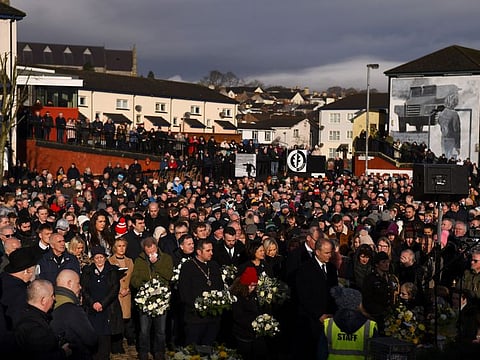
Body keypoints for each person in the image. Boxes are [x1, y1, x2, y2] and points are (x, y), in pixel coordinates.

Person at [295, 238, 338, 360]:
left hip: (330, 318)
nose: (329, 256)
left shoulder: (332, 268)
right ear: (317, 252)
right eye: (326, 253)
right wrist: (319, 314)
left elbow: (334, 291)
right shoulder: (305, 269)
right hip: (311, 320)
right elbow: (303, 296)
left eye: (331, 252)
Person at [131, 237, 173, 360]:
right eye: (148, 251)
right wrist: (145, 283)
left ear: (156, 246)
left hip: (161, 300)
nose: (150, 253)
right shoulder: (139, 260)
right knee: (144, 330)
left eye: (153, 249)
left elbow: (168, 275)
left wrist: (156, 263)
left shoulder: (166, 258)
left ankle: (159, 352)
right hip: (145, 300)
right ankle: (143, 352)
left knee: (160, 330)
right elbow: (134, 280)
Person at [178, 238, 224, 346]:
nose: (211, 253)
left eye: (211, 250)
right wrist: (199, 305)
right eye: (208, 251)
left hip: (213, 317)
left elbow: (220, 286)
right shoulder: (188, 266)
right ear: (199, 252)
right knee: (193, 348)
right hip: (195, 317)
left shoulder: (214, 265)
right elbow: (184, 292)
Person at [81, 246, 123, 360]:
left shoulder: (112, 270)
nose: (99, 260)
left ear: (105, 258)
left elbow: (115, 289)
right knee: (93, 333)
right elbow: (84, 289)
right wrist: (93, 303)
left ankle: (104, 356)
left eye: (101, 257)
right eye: (96, 258)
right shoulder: (87, 271)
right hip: (92, 309)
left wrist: (102, 304)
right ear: (93, 259)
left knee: (105, 335)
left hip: (107, 309)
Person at [14, 279, 72, 359]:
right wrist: (63, 352)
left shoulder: (24, 314)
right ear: (43, 300)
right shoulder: (35, 327)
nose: (54, 298)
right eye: (52, 295)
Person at [51, 269, 98, 360]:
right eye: (78, 283)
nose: (80, 287)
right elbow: (91, 339)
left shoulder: (50, 303)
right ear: (69, 283)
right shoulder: (72, 309)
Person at [324, 286, 377, 359]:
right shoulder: (370, 325)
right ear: (358, 304)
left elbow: (321, 353)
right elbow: (376, 353)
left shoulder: (328, 324)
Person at [230, 267, 268, 360]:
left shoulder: (254, 295)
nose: (252, 288)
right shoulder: (237, 297)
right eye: (250, 285)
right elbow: (238, 316)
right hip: (243, 334)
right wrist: (253, 324)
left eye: (254, 285)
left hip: (255, 334)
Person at [108, 237, 135, 352]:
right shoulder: (110, 261)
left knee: (126, 319)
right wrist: (118, 290)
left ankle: (128, 341)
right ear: (115, 248)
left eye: (123, 246)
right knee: (116, 319)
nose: (121, 248)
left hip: (127, 293)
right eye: (119, 246)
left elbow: (133, 277)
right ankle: (116, 345)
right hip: (116, 294)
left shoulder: (130, 261)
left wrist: (128, 288)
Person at [437, 93, 461, 160]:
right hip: (452, 139)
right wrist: (457, 146)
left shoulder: (442, 113)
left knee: (445, 156)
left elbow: (439, 122)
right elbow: (456, 131)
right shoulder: (454, 114)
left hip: (443, 138)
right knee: (452, 158)